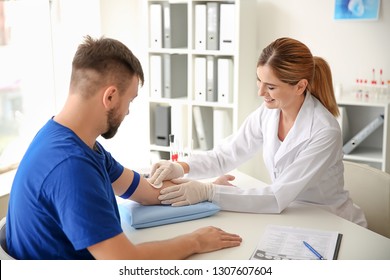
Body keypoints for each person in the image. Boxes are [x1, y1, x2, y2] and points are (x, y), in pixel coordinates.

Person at [6, 36, 242, 260]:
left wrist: (207, 190)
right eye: (130, 100)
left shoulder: (72, 141)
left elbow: (147, 191)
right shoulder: (71, 166)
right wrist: (196, 241)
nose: (128, 111)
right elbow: (124, 262)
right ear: (110, 97)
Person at [150, 37, 367, 227]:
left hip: (328, 219)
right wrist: (181, 167)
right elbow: (226, 154)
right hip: (289, 214)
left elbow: (276, 196)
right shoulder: (269, 112)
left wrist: (208, 192)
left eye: (271, 87)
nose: (261, 92)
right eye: (259, 81)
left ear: (300, 87)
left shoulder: (324, 131)